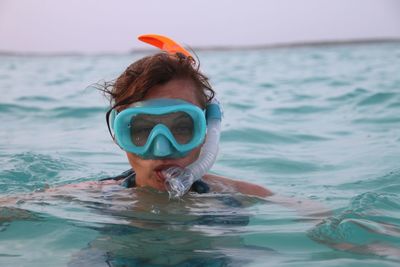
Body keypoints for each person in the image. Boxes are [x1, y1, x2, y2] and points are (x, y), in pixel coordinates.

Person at [95, 34, 272, 199]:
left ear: (207, 131)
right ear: (118, 134)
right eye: (143, 129)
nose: (162, 150)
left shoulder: (248, 197)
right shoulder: (88, 199)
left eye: (181, 128)